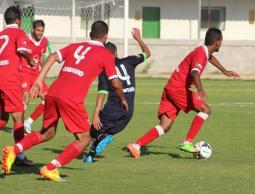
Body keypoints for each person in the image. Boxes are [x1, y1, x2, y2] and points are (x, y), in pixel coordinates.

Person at [2, 20, 128, 181]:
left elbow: (53, 56)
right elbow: (115, 83)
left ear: (90, 34)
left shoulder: (76, 46)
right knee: (84, 139)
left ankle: (14, 149)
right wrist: (122, 98)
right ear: (105, 36)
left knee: (47, 133)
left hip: (53, 93)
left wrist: (40, 80)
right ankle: (50, 167)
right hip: (71, 98)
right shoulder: (105, 54)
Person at [127, 28, 239, 159]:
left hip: (171, 87)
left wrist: (224, 70)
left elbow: (210, 58)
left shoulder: (203, 51)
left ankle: (136, 146)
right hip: (178, 88)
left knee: (165, 126)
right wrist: (200, 89)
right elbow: (195, 72)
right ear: (217, 43)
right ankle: (187, 142)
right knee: (205, 110)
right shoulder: (200, 54)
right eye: (221, 41)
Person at [84, 28, 151, 163]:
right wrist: (138, 38)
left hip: (112, 109)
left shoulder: (104, 70)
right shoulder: (129, 61)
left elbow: (102, 93)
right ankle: (92, 152)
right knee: (105, 132)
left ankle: (94, 149)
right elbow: (147, 53)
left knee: (92, 132)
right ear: (116, 53)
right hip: (128, 111)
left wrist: (96, 113)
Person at [0, 6, 35, 166]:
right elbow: (21, 49)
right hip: (9, 80)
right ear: (18, 20)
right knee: (18, 116)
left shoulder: (1, 35)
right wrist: (30, 59)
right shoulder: (19, 33)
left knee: (2, 117)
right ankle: (19, 155)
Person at [20, 20, 50, 134]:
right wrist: (29, 58)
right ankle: (18, 125)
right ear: (33, 29)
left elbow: (42, 58)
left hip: (36, 74)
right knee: (26, 96)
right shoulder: (25, 39)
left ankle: (28, 121)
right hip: (24, 71)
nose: (40, 33)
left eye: (42, 31)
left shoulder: (44, 41)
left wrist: (43, 74)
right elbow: (21, 51)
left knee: (48, 99)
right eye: (38, 30)